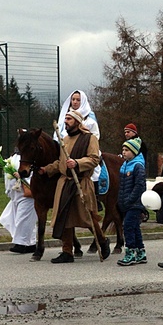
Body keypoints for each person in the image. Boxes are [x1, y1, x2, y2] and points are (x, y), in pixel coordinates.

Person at [40, 110, 111, 263]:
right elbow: (61, 162)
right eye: (65, 119)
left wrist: (77, 163)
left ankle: (102, 241)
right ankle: (67, 251)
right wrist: (47, 169)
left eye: (69, 119)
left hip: (81, 183)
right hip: (65, 183)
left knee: (87, 216)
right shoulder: (64, 139)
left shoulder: (89, 139)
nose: (66, 122)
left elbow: (94, 159)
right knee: (64, 216)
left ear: (77, 122)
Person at [55, 90, 104, 201]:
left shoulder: (90, 119)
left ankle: (95, 195)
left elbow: (95, 136)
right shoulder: (65, 117)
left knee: (95, 171)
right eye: (73, 99)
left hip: (86, 148)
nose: (75, 102)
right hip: (66, 147)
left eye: (78, 100)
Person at [0, 151, 37, 254]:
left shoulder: (30, 158)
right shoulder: (14, 157)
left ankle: (21, 244)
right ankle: (31, 244)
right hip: (16, 195)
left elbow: (30, 173)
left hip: (26, 194)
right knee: (25, 220)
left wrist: (21, 176)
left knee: (23, 219)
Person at [116, 138, 147, 266]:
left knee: (128, 226)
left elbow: (139, 186)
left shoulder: (137, 166)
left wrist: (130, 199)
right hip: (126, 202)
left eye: (127, 150)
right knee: (134, 227)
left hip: (135, 203)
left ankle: (130, 253)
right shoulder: (125, 165)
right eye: (123, 149)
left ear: (134, 152)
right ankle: (141, 252)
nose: (124, 152)